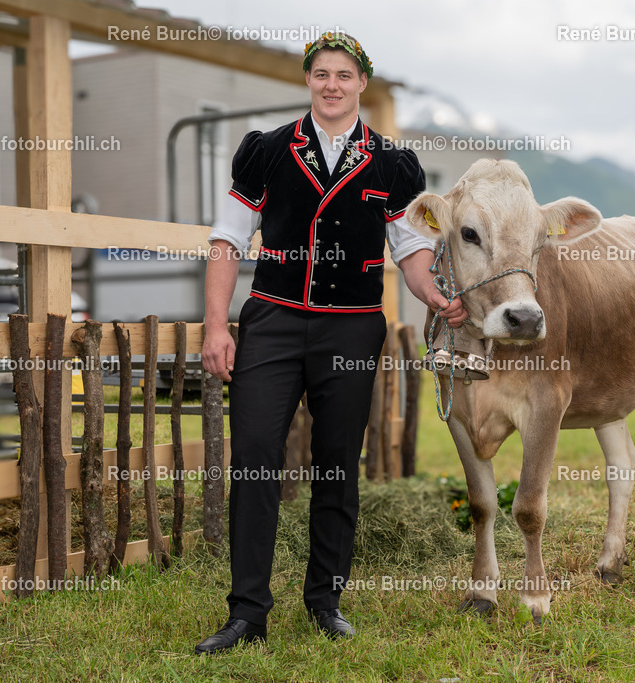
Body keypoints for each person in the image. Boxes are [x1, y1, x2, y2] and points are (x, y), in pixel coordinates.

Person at [195, 31, 466, 654]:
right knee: (257, 456)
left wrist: (435, 297)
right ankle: (247, 613)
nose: (332, 84)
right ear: (308, 80)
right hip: (273, 320)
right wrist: (217, 325)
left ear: (361, 83)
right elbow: (227, 240)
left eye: (344, 75)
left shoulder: (394, 165)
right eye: (321, 74)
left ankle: (325, 600)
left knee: (337, 464)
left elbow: (412, 251)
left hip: (351, 324)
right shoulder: (265, 150)